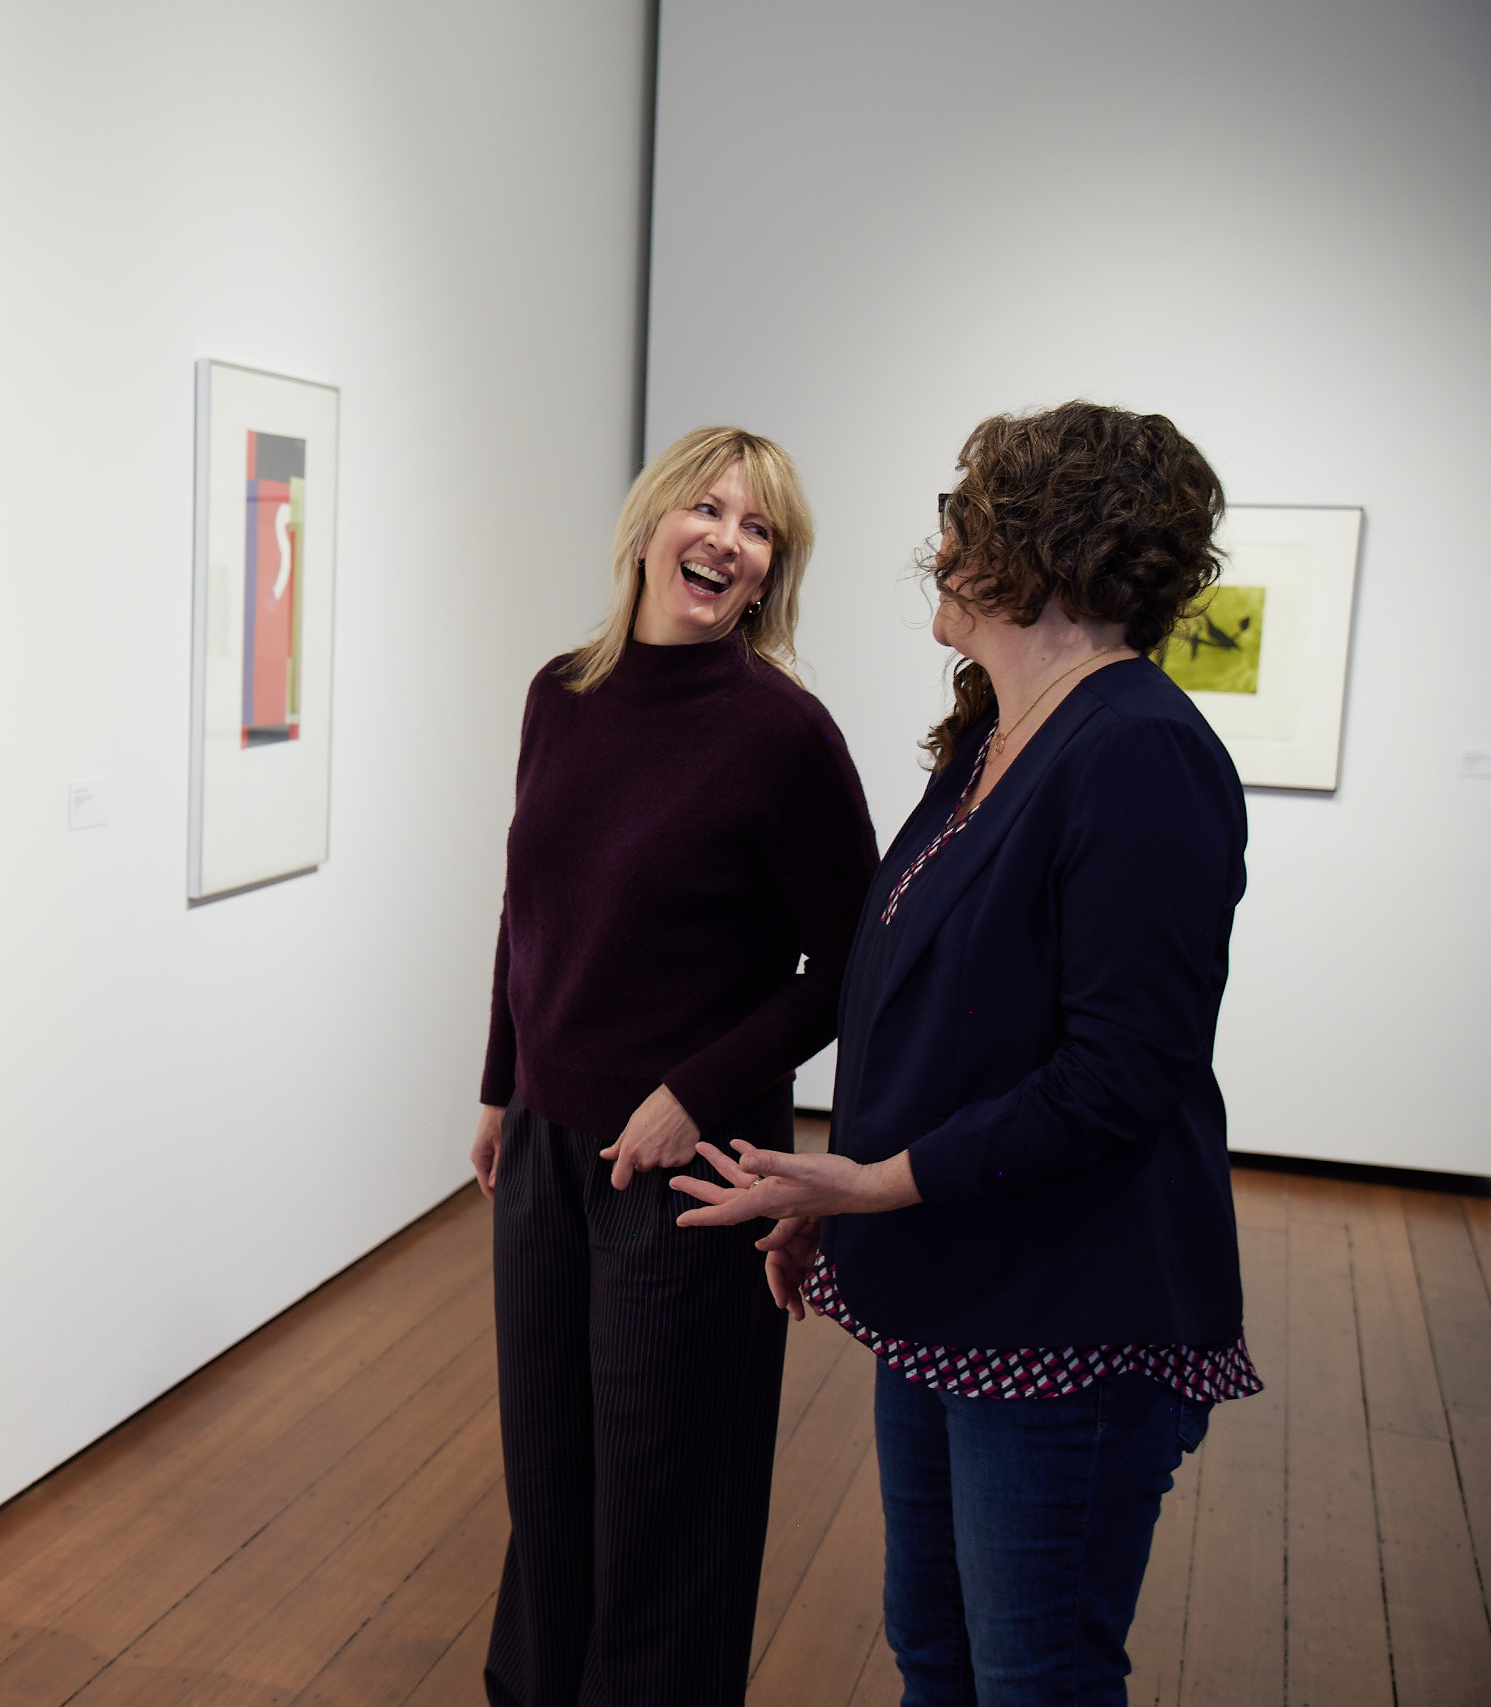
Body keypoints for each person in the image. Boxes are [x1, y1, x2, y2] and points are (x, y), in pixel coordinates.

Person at [671, 401, 1262, 1706]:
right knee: (938, 1652)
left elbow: (1120, 1074)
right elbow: (935, 1018)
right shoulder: (993, 736)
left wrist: (869, 1184)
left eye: (964, 513)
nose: (939, 540)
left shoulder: (1140, 754)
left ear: (1031, 545)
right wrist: (850, 1200)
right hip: (951, 1282)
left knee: (1033, 1673)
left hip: (1067, 1312)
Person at [471, 426, 877, 1707]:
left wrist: (691, 1090)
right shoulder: (559, 693)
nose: (726, 542)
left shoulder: (784, 736)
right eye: (707, 510)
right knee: (548, 1475)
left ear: (769, 578)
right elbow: (525, 912)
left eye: (759, 532)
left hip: (693, 1168)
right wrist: (499, 1084)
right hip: (546, 1144)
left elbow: (846, 967)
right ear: (650, 525)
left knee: (667, 1498)